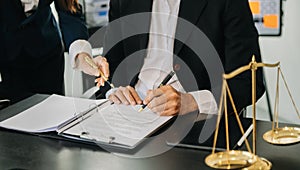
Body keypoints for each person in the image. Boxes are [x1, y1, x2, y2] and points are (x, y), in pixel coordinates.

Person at [78, 0, 265, 119]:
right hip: (132, 115)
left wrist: (192, 102)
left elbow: (249, 82)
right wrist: (116, 92)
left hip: (197, 120)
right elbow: (111, 68)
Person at [0, 0, 108, 104]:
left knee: (53, 113)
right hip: (6, 58)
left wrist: (82, 55)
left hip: (47, 55)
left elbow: (69, 9)